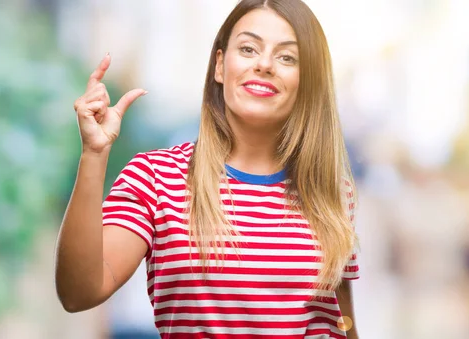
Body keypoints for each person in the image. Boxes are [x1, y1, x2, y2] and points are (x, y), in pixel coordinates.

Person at [54, 0, 361, 338]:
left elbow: (340, 323)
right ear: (220, 65)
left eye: (287, 57)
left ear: (307, 82)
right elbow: (78, 292)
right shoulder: (156, 177)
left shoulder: (332, 192)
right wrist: (94, 154)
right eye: (248, 48)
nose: (264, 64)